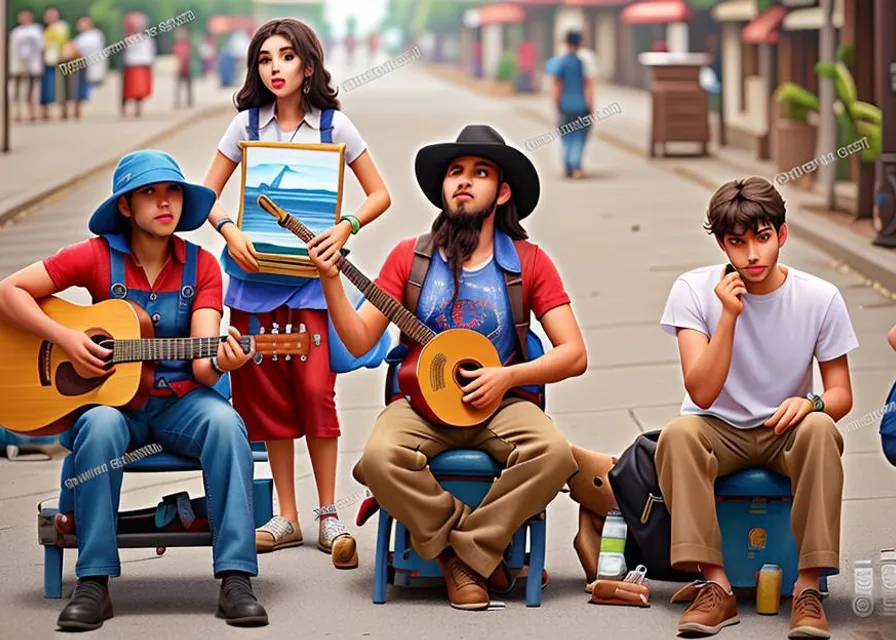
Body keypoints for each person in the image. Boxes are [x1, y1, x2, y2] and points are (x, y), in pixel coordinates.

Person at [308, 124, 585, 610]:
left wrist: (507, 376)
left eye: (480, 173)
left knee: (554, 454)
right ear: (442, 188)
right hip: (418, 405)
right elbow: (356, 340)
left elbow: (574, 354)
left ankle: (461, 554)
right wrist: (330, 280)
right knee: (376, 459)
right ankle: (474, 555)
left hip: (500, 403)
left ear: (501, 193)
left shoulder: (528, 263)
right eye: (456, 171)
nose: (464, 180)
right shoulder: (410, 258)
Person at [0, 150, 268, 631]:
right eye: (150, 193)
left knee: (227, 425)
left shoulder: (203, 267)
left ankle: (235, 578)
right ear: (126, 206)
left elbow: (205, 368)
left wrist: (222, 361)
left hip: (182, 403)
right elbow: (9, 292)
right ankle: (94, 582)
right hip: (114, 404)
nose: (165, 203)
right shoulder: (96, 255)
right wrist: (67, 339)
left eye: (172, 193)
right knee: (98, 427)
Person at [202, 18, 391, 568]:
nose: (274, 67)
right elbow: (204, 196)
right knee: (262, 392)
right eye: (265, 59)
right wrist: (229, 230)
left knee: (313, 390)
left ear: (308, 66)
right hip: (253, 282)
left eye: (285, 57)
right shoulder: (244, 125)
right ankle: (285, 514)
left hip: (313, 284)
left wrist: (347, 227)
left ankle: (328, 513)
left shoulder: (335, 126)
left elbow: (379, 194)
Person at [656, 177, 857, 638]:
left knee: (822, 429)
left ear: (781, 235)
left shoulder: (819, 297)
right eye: (737, 242)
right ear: (722, 244)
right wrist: (728, 315)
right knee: (678, 435)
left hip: (786, 429)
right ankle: (716, 586)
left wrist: (811, 403)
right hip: (715, 428)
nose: (751, 255)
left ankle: (808, 589)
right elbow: (701, 393)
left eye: (763, 238)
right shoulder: (693, 289)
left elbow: (841, 393)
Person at [546, 30, 595, 179]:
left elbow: (556, 84)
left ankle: (568, 165)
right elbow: (588, 85)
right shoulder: (581, 63)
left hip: (565, 105)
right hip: (580, 105)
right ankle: (576, 166)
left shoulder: (559, 62)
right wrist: (590, 105)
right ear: (579, 44)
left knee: (566, 135)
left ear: (565, 43)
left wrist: (556, 102)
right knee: (579, 136)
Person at [9, 10, 44, 123]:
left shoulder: (36, 30)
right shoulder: (16, 32)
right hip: (18, 65)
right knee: (17, 91)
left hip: (33, 65)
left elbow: (41, 46)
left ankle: (32, 112)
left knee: (33, 90)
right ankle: (17, 112)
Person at [121, 12, 155, 118]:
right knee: (128, 90)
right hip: (132, 65)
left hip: (142, 65)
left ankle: (138, 109)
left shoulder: (146, 38)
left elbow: (150, 52)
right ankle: (124, 108)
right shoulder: (129, 38)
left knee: (139, 91)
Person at [173, 28, 194, 109]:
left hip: (186, 67)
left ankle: (189, 101)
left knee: (187, 85)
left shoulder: (186, 44)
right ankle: (178, 101)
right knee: (180, 85)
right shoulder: (179, 45)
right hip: (181, 67)